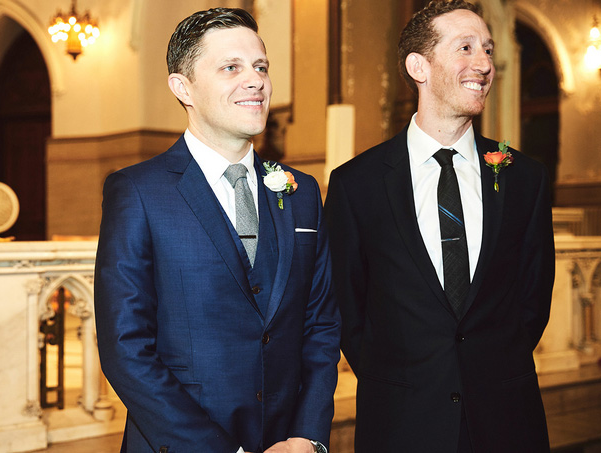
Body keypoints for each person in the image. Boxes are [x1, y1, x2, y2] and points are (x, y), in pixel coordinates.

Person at [94, 7, 340, 453]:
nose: (256, 81)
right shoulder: (138, 192)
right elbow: (126, 347)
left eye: (261, 66)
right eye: (232, 67)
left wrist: (307, 436)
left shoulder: (301, 191)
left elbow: (320, 325)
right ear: (182, 86)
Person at [324, 1, 555, 452]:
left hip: (506, 422)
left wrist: (490, 365)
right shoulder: (357, 184)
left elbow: (533, 298)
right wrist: (404, 378)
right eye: (465, 47)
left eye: (487, 50)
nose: (485, 64)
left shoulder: (523, 177)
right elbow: (346, 310)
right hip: (401, 423)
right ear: (419, 66)